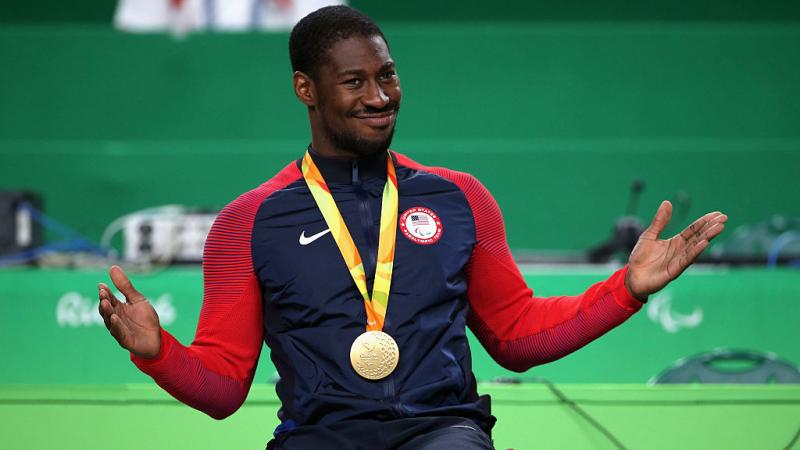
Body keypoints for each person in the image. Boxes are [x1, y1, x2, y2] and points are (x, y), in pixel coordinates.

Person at [97, 5, 727, 449]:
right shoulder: (248, 222)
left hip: (442, 431)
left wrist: (628, 289)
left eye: (388, 75)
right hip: (317, 437)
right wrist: (157, 353)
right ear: (305, 90)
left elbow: (516, 335)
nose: (380, 96)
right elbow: (223, 387)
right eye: (354, 82)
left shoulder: (458, 197)